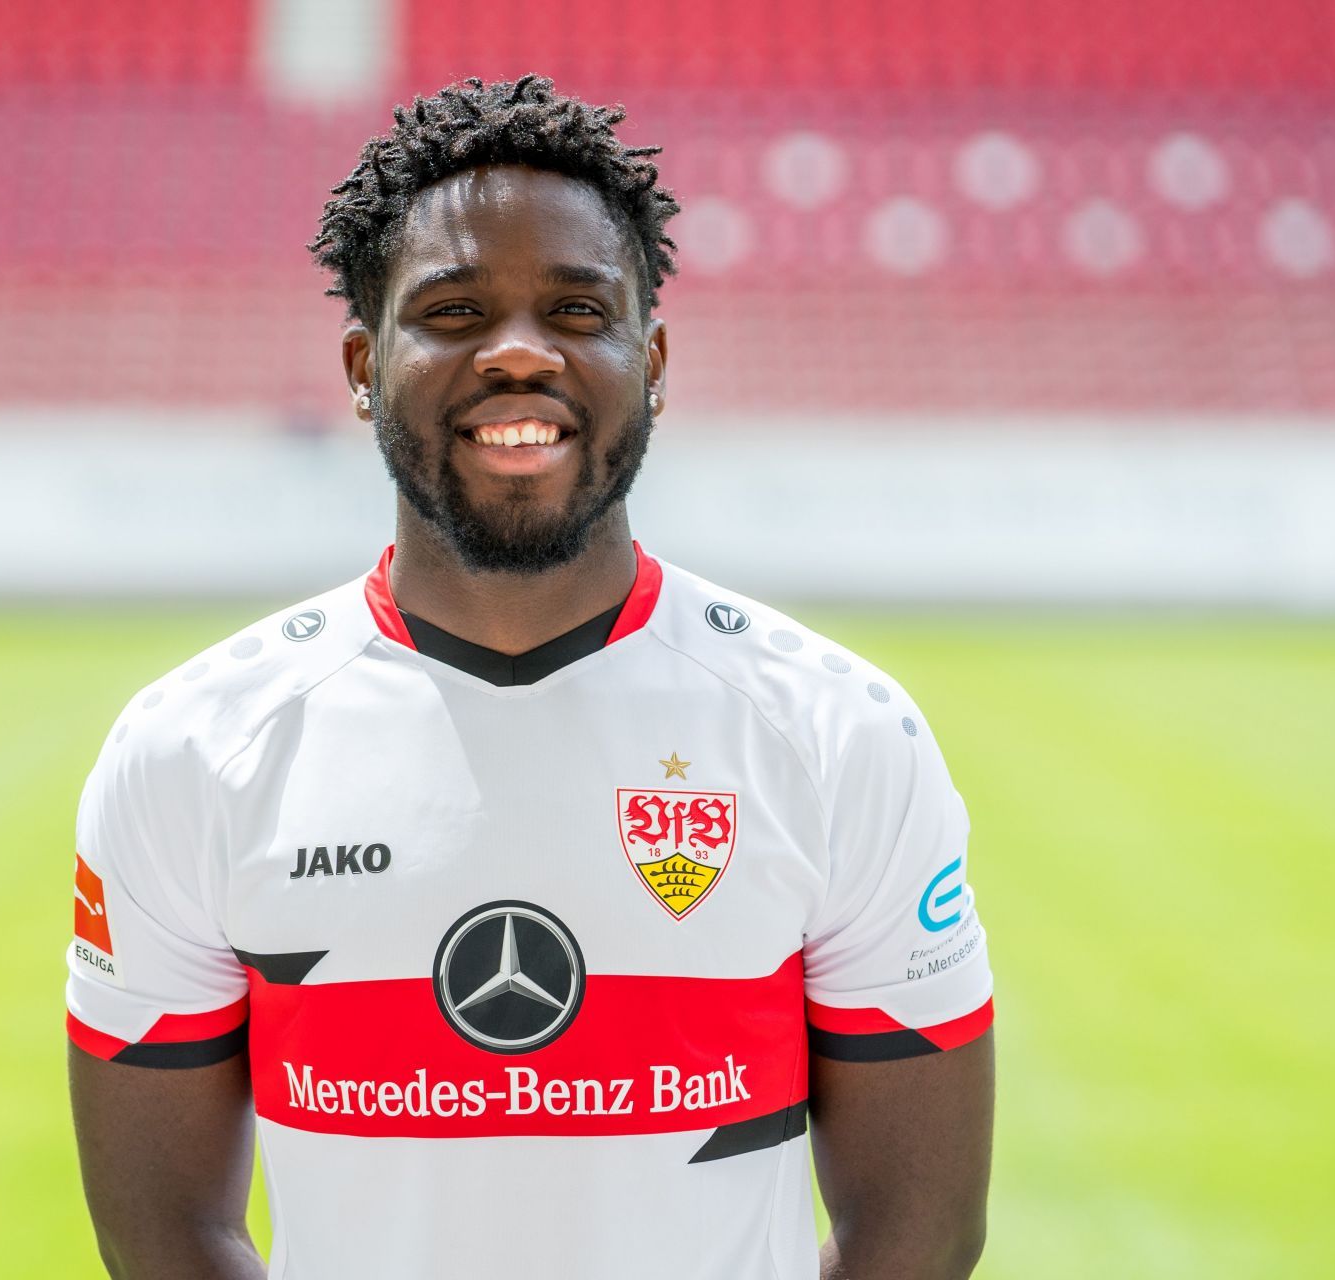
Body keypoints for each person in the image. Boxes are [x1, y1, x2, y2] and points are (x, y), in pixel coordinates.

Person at [66, 74, 994, 1280]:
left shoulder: (838, 734)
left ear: (650, 357)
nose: (518, 352)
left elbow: (916, 1232)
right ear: (363, 361)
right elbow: (165, 1233)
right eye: (453, 311)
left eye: (575, 307)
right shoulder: (192, 750)